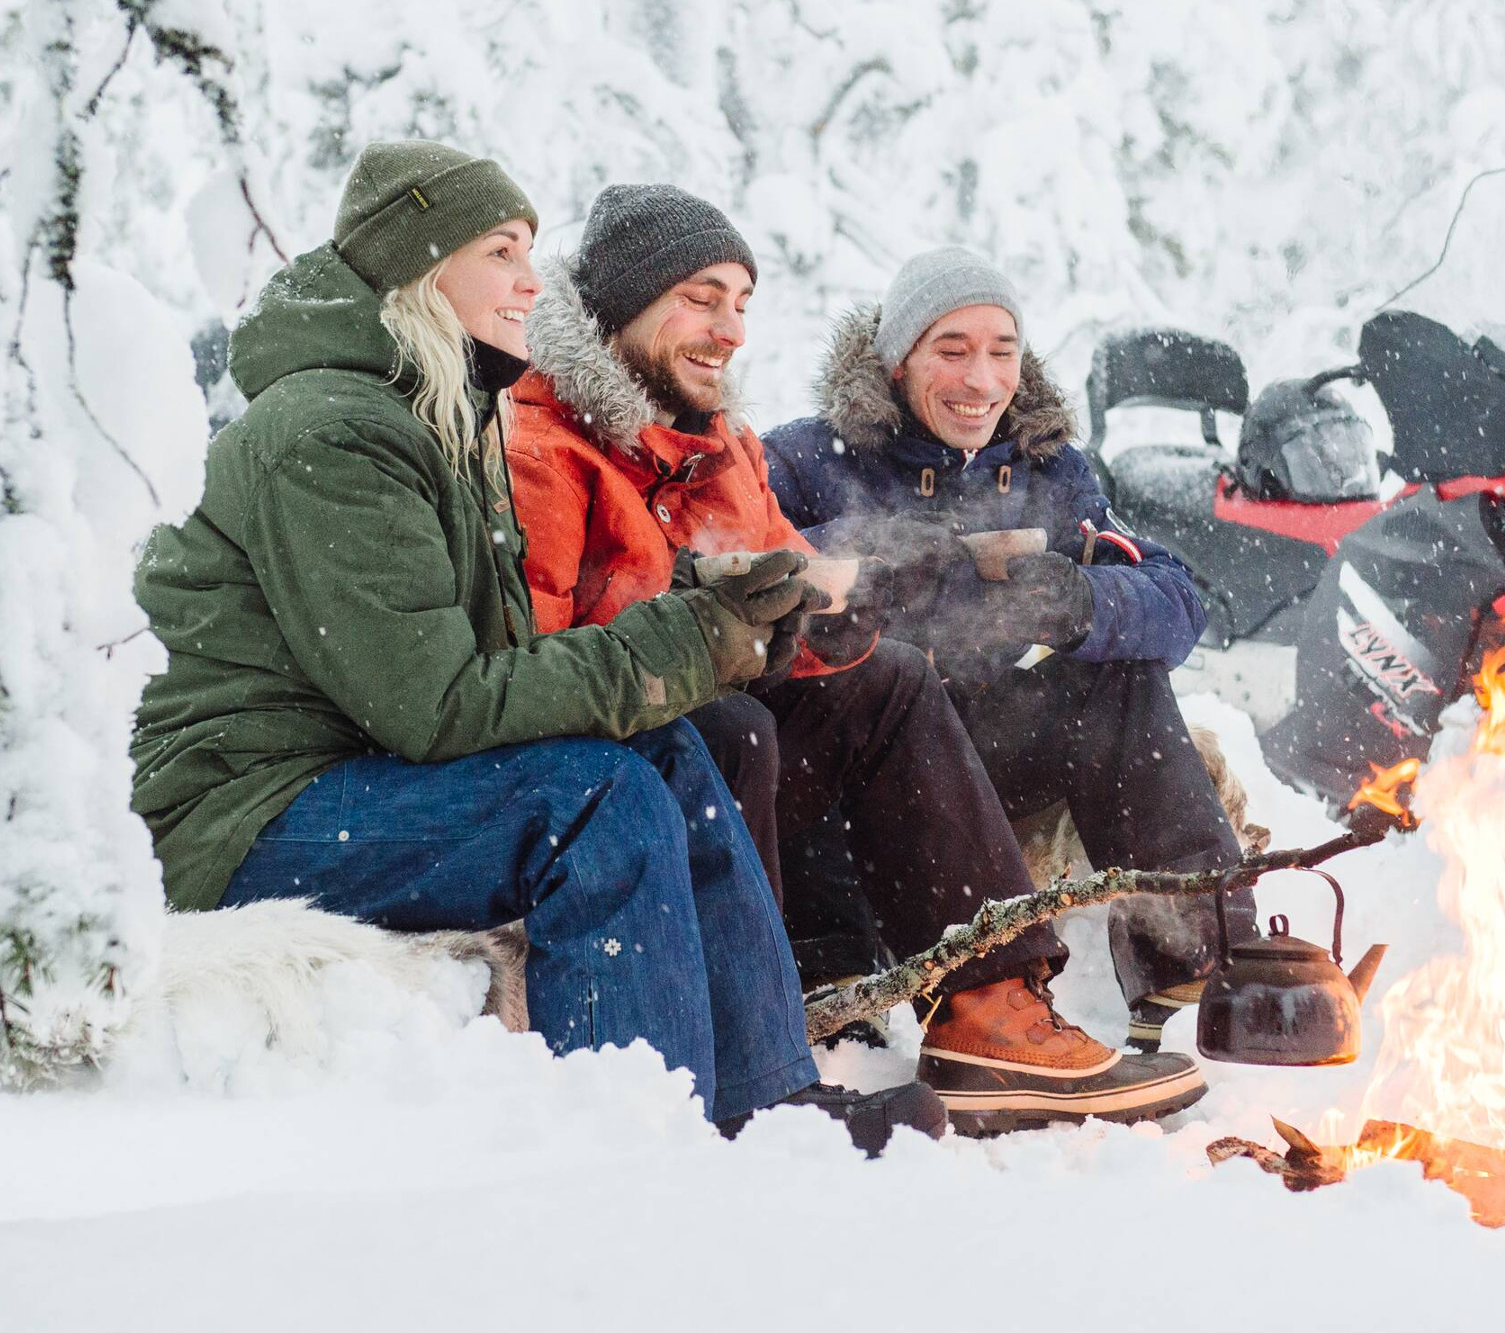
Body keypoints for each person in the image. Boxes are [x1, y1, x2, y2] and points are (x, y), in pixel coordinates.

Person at [128, 142, 941, 1152]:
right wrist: (685, 635)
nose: (529, 278)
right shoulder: (332, 430)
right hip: (250, 811)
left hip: (345, 778)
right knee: (592, 798)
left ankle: (766, 1099)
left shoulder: (432, 409)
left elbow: (490, 653)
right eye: (502, 250)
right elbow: (435, 704)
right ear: (420, 265)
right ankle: (642, 1135)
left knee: (672, 752)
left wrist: (702, 600)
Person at [505, 186, 1205, 1132]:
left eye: (741, 304)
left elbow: (1173, 594)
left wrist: (834, 617)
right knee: (740, 726)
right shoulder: (555, 448)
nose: (730, 331)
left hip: (942, 748)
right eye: (701, 299)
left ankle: (999, 1008)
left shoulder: (726, 443)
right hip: (645, 762)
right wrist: (898, 567)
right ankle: (760, 1054)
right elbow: (543, 660)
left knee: (886, 680)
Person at [763, 246, 1261, 1052]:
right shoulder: (804, 457)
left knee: (1118, 671)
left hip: (979, 754)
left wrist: (1079, 602)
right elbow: (741, 574)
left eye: (1002, 352)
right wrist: (862, 551)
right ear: (897, 361)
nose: (982, 381)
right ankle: (834, 978)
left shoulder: (1047, 470)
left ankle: (1203, 958)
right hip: (847, 772)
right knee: (850, 681)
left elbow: (1176, 600)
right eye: (951, 351)